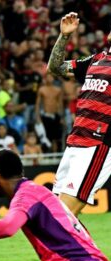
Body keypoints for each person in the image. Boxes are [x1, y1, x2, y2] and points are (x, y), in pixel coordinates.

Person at [47, 12, 111, 216]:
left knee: (62, 216)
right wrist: (64, 36)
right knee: (58, 213)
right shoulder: (97, 59)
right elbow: (55, 68)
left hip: (97, 144)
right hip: (75, 142)